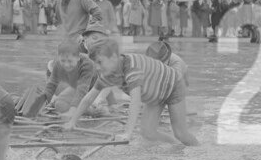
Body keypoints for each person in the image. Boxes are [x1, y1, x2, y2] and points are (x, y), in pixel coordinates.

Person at [66, 38, 199, 146]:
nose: (97, 67)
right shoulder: (107, 73)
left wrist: (127, 133)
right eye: (95, 63)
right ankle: (176, 145)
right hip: (155, 94)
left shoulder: (131, 67)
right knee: (148, 132)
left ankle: (199, 151)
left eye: (100, 62)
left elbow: (135, 102)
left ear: (113, 57)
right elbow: (88, 98)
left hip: (173, 86)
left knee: (181, 133)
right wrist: (73, 121)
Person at [44, 40, 96, 114]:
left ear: (78, 58)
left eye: (70, 61)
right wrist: (43, 101)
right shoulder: (58, 62)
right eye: (63, 61)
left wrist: (72, 110)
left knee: (60, 104)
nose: (66, 65)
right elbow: (52, 84)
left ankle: (95, 110)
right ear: (59, 58)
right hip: (74, 83)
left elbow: (82, 89)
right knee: (58, 103)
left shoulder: (87, 64)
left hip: (92, 85)